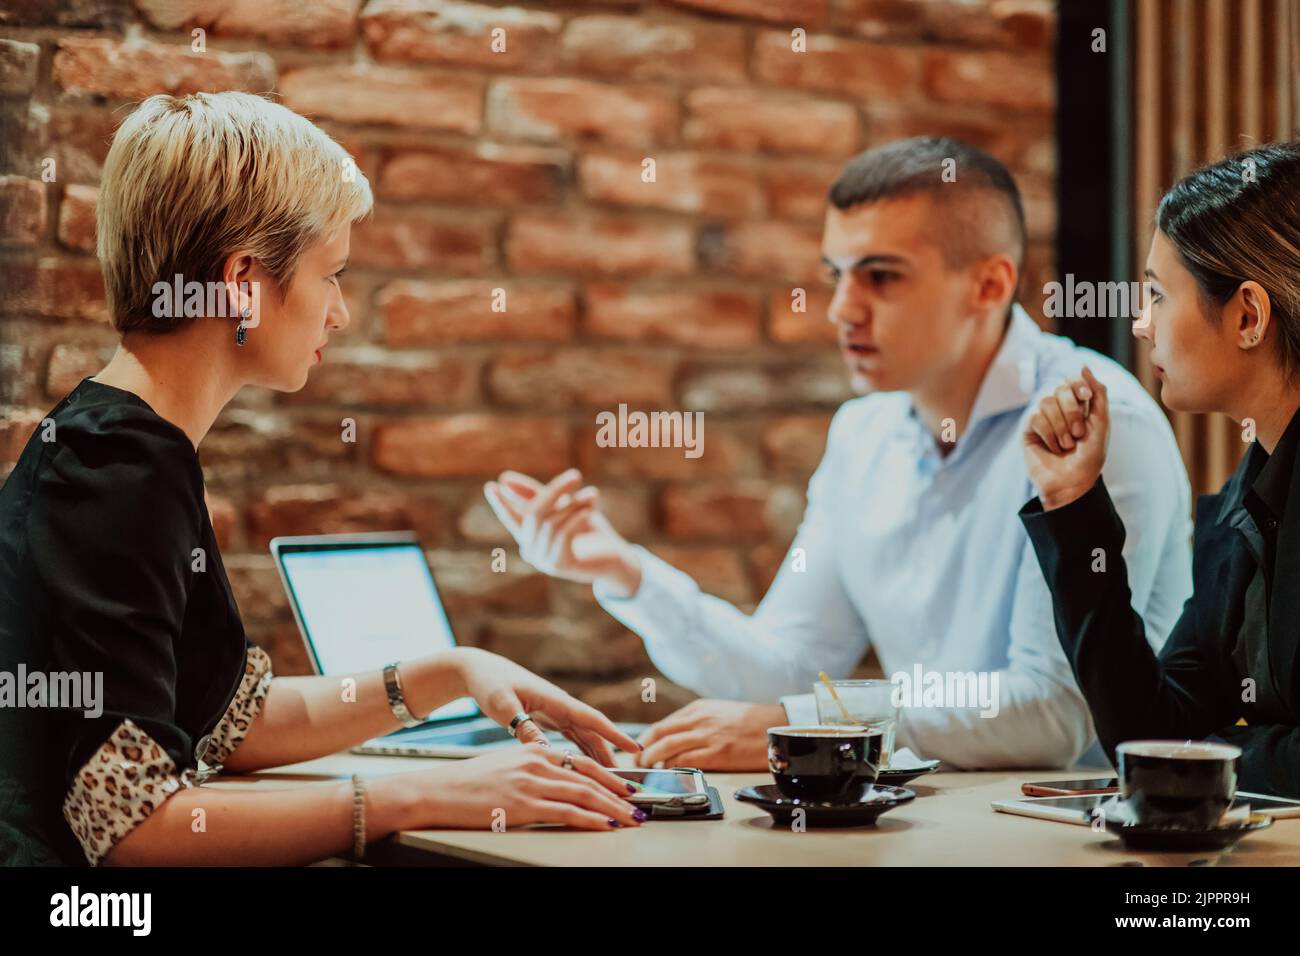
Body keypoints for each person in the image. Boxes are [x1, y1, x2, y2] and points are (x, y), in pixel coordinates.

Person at [0, 92, 645, 868]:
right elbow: (132, 826)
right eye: (330, 275)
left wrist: (457, 670)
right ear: (241, 281)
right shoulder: (116, 469)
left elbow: (231, 721)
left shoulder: (130, 445)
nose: (338, 314)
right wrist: (428, 795)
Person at [485, 137, 1194, 773]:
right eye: (836, 275)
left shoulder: (1096, 422)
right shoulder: (862, 433)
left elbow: (1052, 716)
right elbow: (790, 665)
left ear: (990, 285)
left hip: (1084, 838)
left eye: (881, 277)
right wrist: (627, 573)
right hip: (926, 830)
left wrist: (805, 725)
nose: (842, 309)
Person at [1020, 140, 1300, 797]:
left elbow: (1178, 754)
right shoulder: (1252, 486)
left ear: (1249, 316)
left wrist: (1206, 755)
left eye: (1156, 296)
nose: (1142, 325)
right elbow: (1150, 733)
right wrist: (1073, 502)